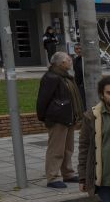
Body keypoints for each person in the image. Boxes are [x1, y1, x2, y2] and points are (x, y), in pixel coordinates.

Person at [36, 51, 84, 188]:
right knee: (56, 149)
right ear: (61, 63)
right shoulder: (51, 77)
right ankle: (53, 177)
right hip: (58, 118)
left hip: (68, 116)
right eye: (68, 60)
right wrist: (43, 117)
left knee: (68, 148)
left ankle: (68, 173)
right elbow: (43, 99)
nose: (71, 62)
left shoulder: (66, 77)